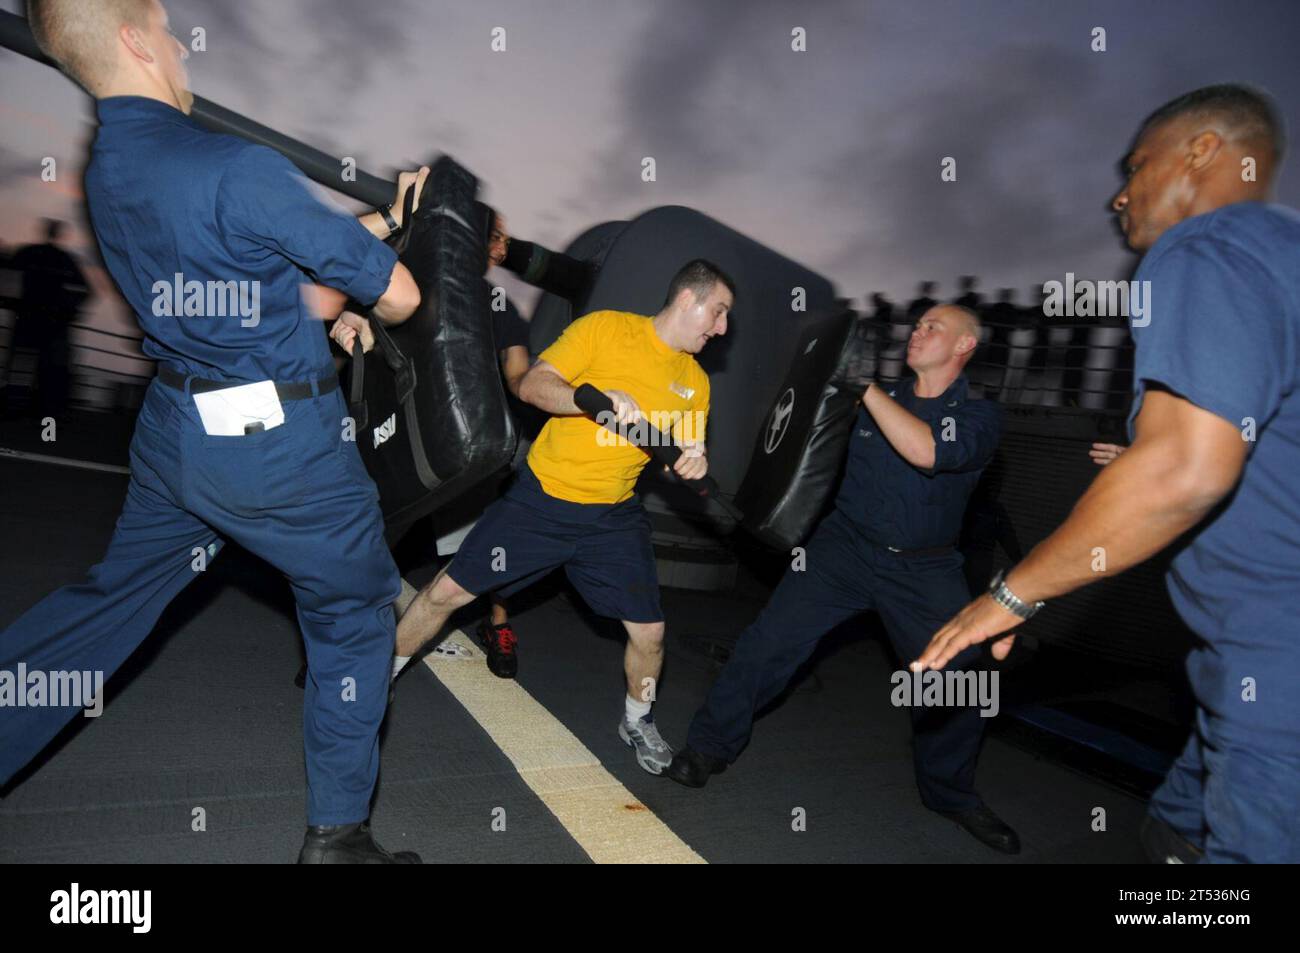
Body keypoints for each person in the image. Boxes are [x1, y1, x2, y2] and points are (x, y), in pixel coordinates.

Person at [4, 0, 428, 864]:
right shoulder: (241, 166)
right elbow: (402, 298)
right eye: (167, 30)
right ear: (134, 39)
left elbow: (280, 287)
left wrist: (369, 237)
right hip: (277, 442)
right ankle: (338, 839)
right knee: (353, 611)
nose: (179, 48)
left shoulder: (107, 169)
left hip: (176, 433)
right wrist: (415, 224)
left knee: (113, 600)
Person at [915, 84, 1300, 864]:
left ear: (1203, 152)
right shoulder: (1282, 256)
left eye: (1136, 165)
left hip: (1277, 657)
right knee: (1172, 829)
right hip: (1245, 667)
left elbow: (1186, 470)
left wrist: (1011, 594)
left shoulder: (1205, 245)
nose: (1118, 194)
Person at [668, 304, 1019, 854]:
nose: (918, 331)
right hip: (843, 550)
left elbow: (927, 452)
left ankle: (951, 795)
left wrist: (866, 388)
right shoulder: (877, 398)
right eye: (918, 322)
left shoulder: (977, 415)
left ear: (963, 347)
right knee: (765, 646)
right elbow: (798, 445)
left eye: (934, 327)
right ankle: (708, 747)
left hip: (923, 568)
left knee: (961, 683)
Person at [390, 259, 732, 774]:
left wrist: (695, 457)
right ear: (688, 299)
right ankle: (378, 679)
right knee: (445, 593)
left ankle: (637, 719)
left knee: (651, 634)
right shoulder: (606, 329)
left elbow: (689, 445)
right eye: (719, 311)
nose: (722, 328)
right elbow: (531, 385)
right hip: (542, 501)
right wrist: (591, 400)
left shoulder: (695, 382)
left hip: (613, 520)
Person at [8, 219, 91, 417]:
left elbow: (8, 273)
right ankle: (37, 407)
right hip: (51, 322)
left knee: (19, 363)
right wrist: (69, 308)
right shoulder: (64, 259)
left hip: (28, 318)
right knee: (46, 366)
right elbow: (86, 290)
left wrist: (12, 301)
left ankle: (15, 404)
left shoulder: (27, 253)